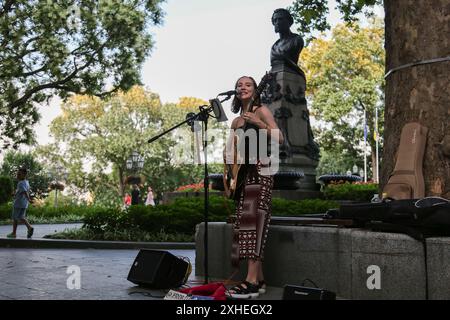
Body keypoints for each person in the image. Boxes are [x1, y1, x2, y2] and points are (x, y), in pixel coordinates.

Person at [225, 76, 283, 299]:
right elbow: (231, 150)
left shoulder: (261, 110)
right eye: (239, 85)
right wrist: (228, 164)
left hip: (261, 169)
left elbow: (280, 137)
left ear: (256, 89)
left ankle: (250, 281)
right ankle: (258, 280)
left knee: (256, 222)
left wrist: (259, 124)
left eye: (247, 84)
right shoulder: (236, 122)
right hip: (242, 176)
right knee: (245, 223)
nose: (242, 87)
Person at [270, 8, 305, 78]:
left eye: (280, 19)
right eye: (275, 20)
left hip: (290, 75)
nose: (277, 22)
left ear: (289, 22)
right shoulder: (274, 46)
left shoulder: (296, 40)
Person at [7, 167, 34, 239]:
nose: (17, 175)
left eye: (19, 174)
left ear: (24, 174)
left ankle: (14, 233)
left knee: (15, 218)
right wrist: (15, 193)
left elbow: (25, 192)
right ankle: (29, 227)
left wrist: (29, 199)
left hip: (18, 203)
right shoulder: (26, 182)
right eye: (17, 173)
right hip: (24, 204)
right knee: (21, 217)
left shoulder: (20, 183)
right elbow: (22, 191)